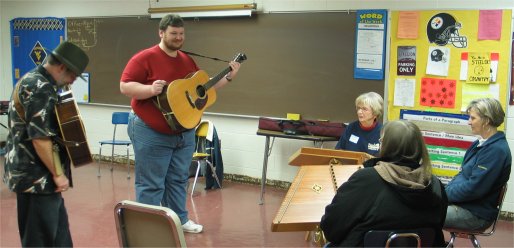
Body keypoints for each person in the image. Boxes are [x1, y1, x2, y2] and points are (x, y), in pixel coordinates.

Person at [120, 14, 241, 234]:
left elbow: (202, 90)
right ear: (161, 33)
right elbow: (125, 86)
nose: (178, 37)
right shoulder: (144, 58)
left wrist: (230, 76)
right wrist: (150, 90)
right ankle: (147, 228)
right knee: (151, 183)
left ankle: (179, 220)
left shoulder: (186, 60)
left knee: (178, 179)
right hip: (150, 130)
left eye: (181, 34)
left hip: (183, 132)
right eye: (173, 33)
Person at [3, 41, 89, 246]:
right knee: (38, 240)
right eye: (73, 76)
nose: (73, 81)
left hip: (39, 179)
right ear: (61, 67)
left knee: (59, 238)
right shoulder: (40, 87)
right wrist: (58, 174)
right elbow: (40, 139)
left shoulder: (33, 79)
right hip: (36, 179)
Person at [320, 120, 448, 247]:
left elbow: (331, 229)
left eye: (381, 141)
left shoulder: (366, 180)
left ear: (387, 146)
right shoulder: (435, 185)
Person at [444, 98, 511, 231]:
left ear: (486, 121)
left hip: (476, 214)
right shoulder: (480, 143)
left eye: (473, 118)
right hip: (466, 205)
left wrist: (443, 195)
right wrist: (443, 192)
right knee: (423, 208)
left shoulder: (496, 151)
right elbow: (463, 174)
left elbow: (474, 189)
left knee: (422, 214)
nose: (469, 122)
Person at [335, 92, 383, 156]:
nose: (359, 112)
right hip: (350, 165)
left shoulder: (383, 132)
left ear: (375, 113)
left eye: (364, 109)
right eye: (358, 108)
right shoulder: (351, 128)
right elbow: (338, 151)